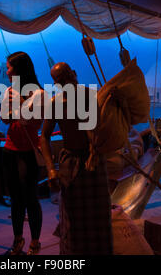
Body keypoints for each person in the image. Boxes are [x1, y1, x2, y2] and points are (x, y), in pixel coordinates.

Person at [40, 62, 113, 255]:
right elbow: (44, 137)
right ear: (56, 83)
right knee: (72, 219)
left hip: (94, 162)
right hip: (70, 164)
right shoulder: (56, 103)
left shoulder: (93, 97)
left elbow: (106, 127)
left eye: (67, 77)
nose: (65, 82)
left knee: (100, 218)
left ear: (74, 73)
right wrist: (51, 169)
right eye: (60, 80)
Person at [0, 51, 45, 255]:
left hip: (28, 152)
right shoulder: (9, 91)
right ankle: (17, 241)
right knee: (16, 199)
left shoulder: (39, 94)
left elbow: (35, 122)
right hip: (10, 150)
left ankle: (35, 243)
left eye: (9, 67)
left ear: (19, 69)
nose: (7, 71)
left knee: (31, 199)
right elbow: (6, 120)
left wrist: (16, 108)